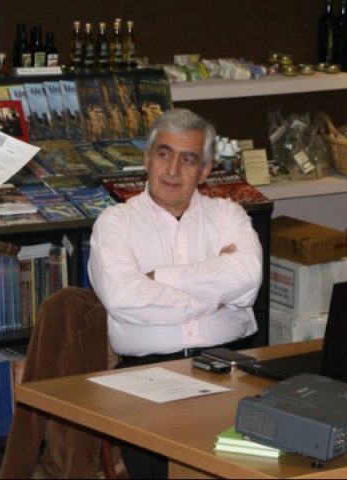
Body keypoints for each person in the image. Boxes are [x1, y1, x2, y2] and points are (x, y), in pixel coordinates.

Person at [88, 108, 263, 479]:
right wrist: (213, 296)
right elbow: (124, 298)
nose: (172, 170)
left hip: (230, 366)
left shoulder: (228, 216)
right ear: (147, 159)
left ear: (205, 170)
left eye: (188, 160)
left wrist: (159, 278)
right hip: (147, 374)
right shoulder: (115, 224)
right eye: (164, 154)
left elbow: (247, 277)